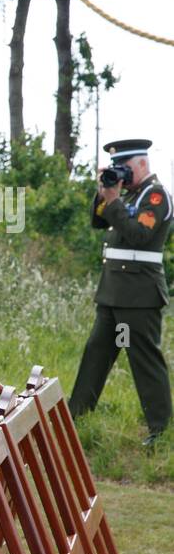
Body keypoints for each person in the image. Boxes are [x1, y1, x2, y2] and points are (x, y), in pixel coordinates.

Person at [68, 138, 173, 446]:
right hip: (112, 294)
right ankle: (76, 419)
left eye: (124, 168)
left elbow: (139, 236)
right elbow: (98, 221)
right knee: (96, 355)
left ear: (142, 164)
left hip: (139, 297)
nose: (121, 175)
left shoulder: (154, 196)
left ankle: (160, 431)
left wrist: (114, 199)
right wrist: (103, 192)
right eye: (116, 169)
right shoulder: (128, 194)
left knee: (143, 361)